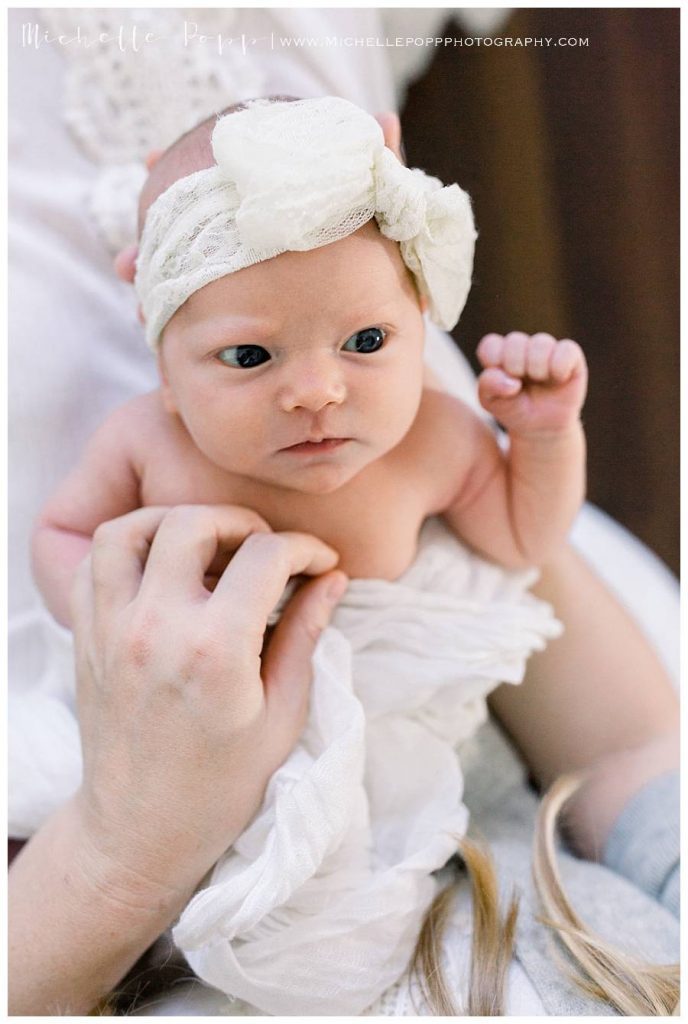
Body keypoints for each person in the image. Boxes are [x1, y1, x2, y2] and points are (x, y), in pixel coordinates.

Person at [19, 97, 678, 1016]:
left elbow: (525, 541)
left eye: (366, 342)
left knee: (575, 927)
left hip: (430, 749)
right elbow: (60, 534)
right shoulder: (145, 448)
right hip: (192, 764)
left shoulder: (436, 440)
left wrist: (543, 437)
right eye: (249, 355)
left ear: (415, 317)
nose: (319, 392)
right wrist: (100, 608)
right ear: (164, 362)